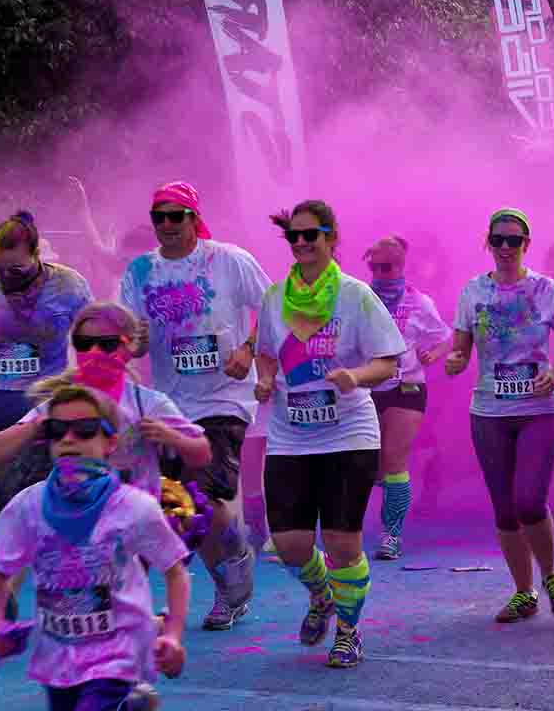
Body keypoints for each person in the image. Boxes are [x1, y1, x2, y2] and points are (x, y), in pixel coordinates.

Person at [254, 200, 405, 668]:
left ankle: (348, 631)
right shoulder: (274, 298)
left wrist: (355, 376)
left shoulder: (355, 295)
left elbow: (388, 362)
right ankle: (322, 596)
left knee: (342, 543)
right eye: (293, 236)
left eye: (311, 234)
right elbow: (266, 352)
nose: (301, 243)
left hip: (348, 435)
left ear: (331, 237)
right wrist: (264, 377)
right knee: (290, 545)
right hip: (290, 436)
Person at [0, 383, 190, 711]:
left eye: (85, 430)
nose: (69, 439)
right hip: (58, 655)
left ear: (111, 442)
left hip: (119, 651)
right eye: (57, 430)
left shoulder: (134, 507)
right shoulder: (29, 505)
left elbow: (175, 571)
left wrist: (173, 635)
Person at [119, 181, 271, 632]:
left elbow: (273, 310)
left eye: (176, 215)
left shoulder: (228, 260)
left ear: (194, 218)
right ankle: (227, 582)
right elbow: (131, 337)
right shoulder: (139, 272)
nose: (166, 225)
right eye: (159, 217)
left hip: (225, 398)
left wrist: (247, 349)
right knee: (182, 503)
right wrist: (133, 342)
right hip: (170, 401)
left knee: (205, 493)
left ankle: (235, 558)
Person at [445, 208, 554, 624]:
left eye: (513, 240)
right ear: (488, 243)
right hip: (489, 410)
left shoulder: (547, 290)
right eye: (498, 240)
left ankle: (551, 575)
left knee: (529, 500)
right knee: (504, 509)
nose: (505, 248)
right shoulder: (473, 292)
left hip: (539, 409)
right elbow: (460, 347)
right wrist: (455, 360)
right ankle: (524, 592)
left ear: (526, 244)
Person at [0, 302, 211, 500]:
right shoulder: (62, 403)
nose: (93, 351)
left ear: (129, 346)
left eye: (107, 344)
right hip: (76, 517)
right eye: (84, 343)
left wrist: (172, 437)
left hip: (134, 521)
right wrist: (33, 428)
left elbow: (202, 454)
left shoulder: (147, 404)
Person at [0, 210, 94, 513]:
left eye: (15, 269)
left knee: (41, 498)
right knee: (7, 504)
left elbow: (92, 336)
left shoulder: (69, 284)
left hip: (45, 410)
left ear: (36, 253)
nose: (6, 277)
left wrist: (90, 376)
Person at [364, 236, 452, 560]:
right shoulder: (360, 297)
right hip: (366, 388)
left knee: (394, 458)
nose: (380, 273)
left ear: (401, 267)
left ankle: (392, 535)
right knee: (369, 465)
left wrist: (433, 354)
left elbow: (445, 337)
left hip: (407, 386)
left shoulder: (419, 302)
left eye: (387, 267)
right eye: (374, 267)